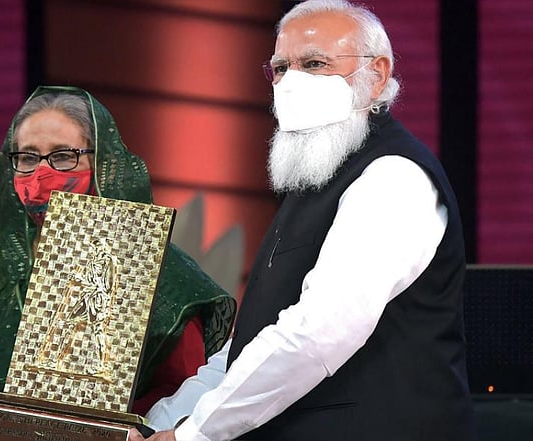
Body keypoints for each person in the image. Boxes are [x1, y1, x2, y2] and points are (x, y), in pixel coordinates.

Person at [140, 1, 476, 440]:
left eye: (314, 64)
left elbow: (319, 332)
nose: (291, 82)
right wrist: (155, 424)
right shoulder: (316, 183)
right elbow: (247, 348)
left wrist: (196, 433)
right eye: (281, 68)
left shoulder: (393, 176)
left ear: (375, 75)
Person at [0, 86, 237, 415]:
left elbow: (187, 393)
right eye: (27, 157)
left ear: (103, 163)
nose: (41, 175)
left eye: (63, 156)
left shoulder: (159, 271)